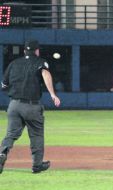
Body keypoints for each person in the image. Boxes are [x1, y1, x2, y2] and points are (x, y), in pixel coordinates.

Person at [0, 39, 61, 174]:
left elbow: (3, 85)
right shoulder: (40, 62)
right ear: (37, 51)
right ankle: (37, 165)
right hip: (31, 106)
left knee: (11, 134)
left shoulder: (14, 63)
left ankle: (2, 154)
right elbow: (45, 73)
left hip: (14, 105)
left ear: (24, 51)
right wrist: (52, 94)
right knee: (36, 135)